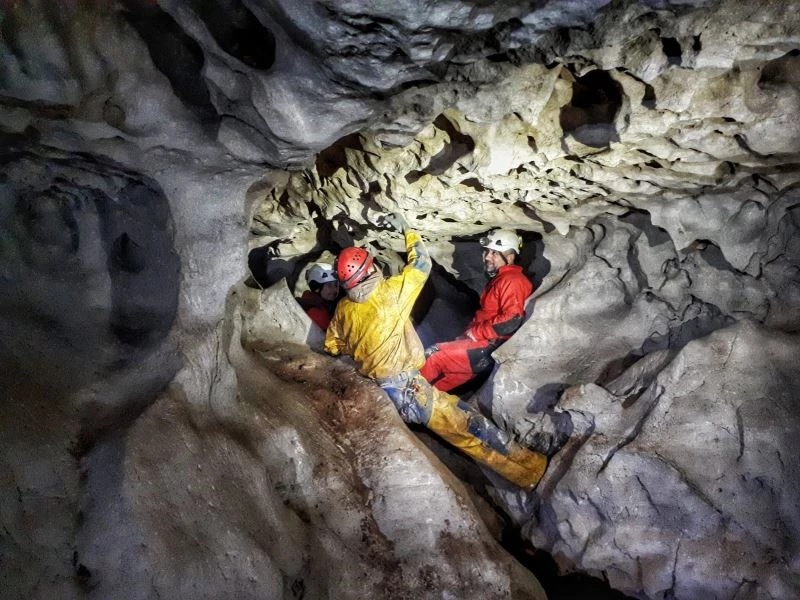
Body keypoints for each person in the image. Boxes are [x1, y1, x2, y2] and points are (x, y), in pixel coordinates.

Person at [324, 215, 547, 489]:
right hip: (411, 390)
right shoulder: (389, 293)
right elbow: (421, 263)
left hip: (384, 392)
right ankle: (531, 471)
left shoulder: (343, 310)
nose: (487, 257)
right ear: (370, 270)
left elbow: (332, 345)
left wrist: (362, 345)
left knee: (442, 376)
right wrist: (408, 230)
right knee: (468, 430)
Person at [421, 229, 532, 393]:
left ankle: (403, 396)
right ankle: (417, 410)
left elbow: (512, 319)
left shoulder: (512, 280)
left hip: (487, 347)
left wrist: (476, 333)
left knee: (432, 356)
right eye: (488, 251)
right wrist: (467, 335)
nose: (487, 257)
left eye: (494, 253)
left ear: (510, 257)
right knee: (437, 388)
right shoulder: (501, 279)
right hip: (482, 346)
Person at [298, 263, 339, 330]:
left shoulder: (322, 303)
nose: (334, 289)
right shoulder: (314, 312)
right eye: (329, 285)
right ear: (317, 288)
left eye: (335, 285)